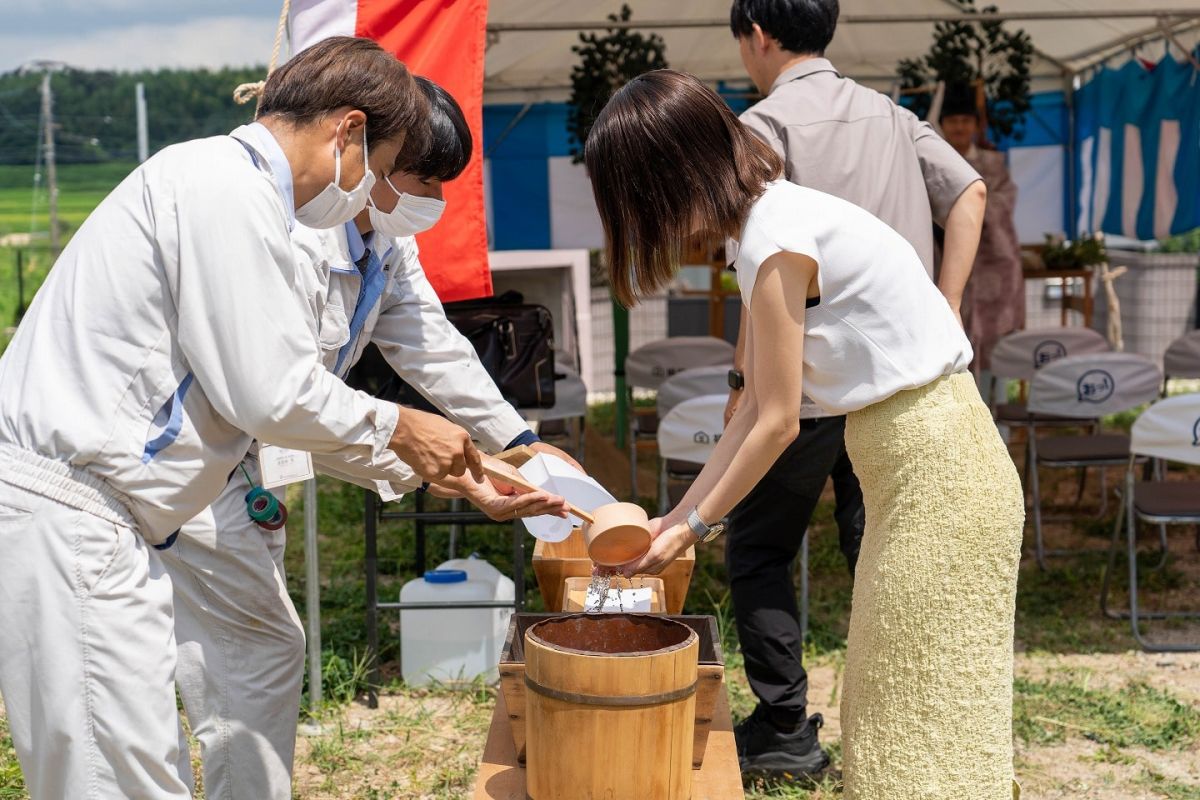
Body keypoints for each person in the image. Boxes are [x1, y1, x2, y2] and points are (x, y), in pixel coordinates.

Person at [0, 37, 487, 800]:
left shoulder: (239, 190)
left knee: (156, 742)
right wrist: (403, 433)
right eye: (383, 168)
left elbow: (285, 389)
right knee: (112, 775)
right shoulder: (221, 188)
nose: (372, 192)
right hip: (74, 503)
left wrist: (444, 455)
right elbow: (270, 391)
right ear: (348, 133)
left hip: (130, 507)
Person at [589, 70, 1024, 800]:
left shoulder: (774, 238)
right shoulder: (768, 226)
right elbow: (754, 405)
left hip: (942, 475)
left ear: (669, 177)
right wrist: (675, 522)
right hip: (917, 469)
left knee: (924, 709)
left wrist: (692, 525)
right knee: (893, 702)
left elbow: (777, 422)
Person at [164, 76, 575, 799]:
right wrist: (420, 449)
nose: (435, 201)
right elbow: (284, 395)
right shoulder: (286, 230)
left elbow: (430, 345)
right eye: (423, 178)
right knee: (238, 656)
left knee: (244, 657)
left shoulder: (384, 239)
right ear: (372, 158)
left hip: (247, 462)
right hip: (190, 462)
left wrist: (517, 437)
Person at [722, 0, 988, 776]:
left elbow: (761, 269)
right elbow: (969, 194)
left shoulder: (760, 129)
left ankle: (784, 728)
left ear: (759, 35)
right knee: (884, 553)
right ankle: (903, 724)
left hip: (804, 384)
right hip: (896, 388)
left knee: (761, 548)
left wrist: (742, 377)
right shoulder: (893, 116)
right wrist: (947, 302)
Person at [938, 84, 1025, 402]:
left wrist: (964, 209)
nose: (959, 127)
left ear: (975, 125)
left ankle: (999, 421)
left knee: (997, 345)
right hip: (947, 263)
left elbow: (1004, 202)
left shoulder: (994, 162)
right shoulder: (937, 158)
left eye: (966, 120)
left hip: (994, 267)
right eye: (953, 121)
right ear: (943, 125)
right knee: (952, 345)